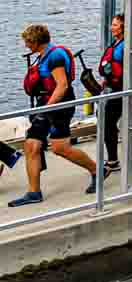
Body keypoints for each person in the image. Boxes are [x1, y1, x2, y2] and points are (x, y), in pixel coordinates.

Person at [10, 24, 96, 207]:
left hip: (58, 106)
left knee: (60, 148)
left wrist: (46, 109)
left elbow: (62, 85)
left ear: (35, 41)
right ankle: (34, 192)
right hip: (47, 104)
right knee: (31, 145)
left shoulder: (54, 56)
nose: (26, 46)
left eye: (27, 42)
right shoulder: (42, 56)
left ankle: (98, 170)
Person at [98, 15, 128, 174]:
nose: (112, 27)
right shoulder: (116, 43)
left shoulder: (129, 45)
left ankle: (113, 160)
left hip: (123, 90)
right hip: (113, 87)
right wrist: (104, 82)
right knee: (108, 120)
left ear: (123, 27)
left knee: (107, 121)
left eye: (115, 25)